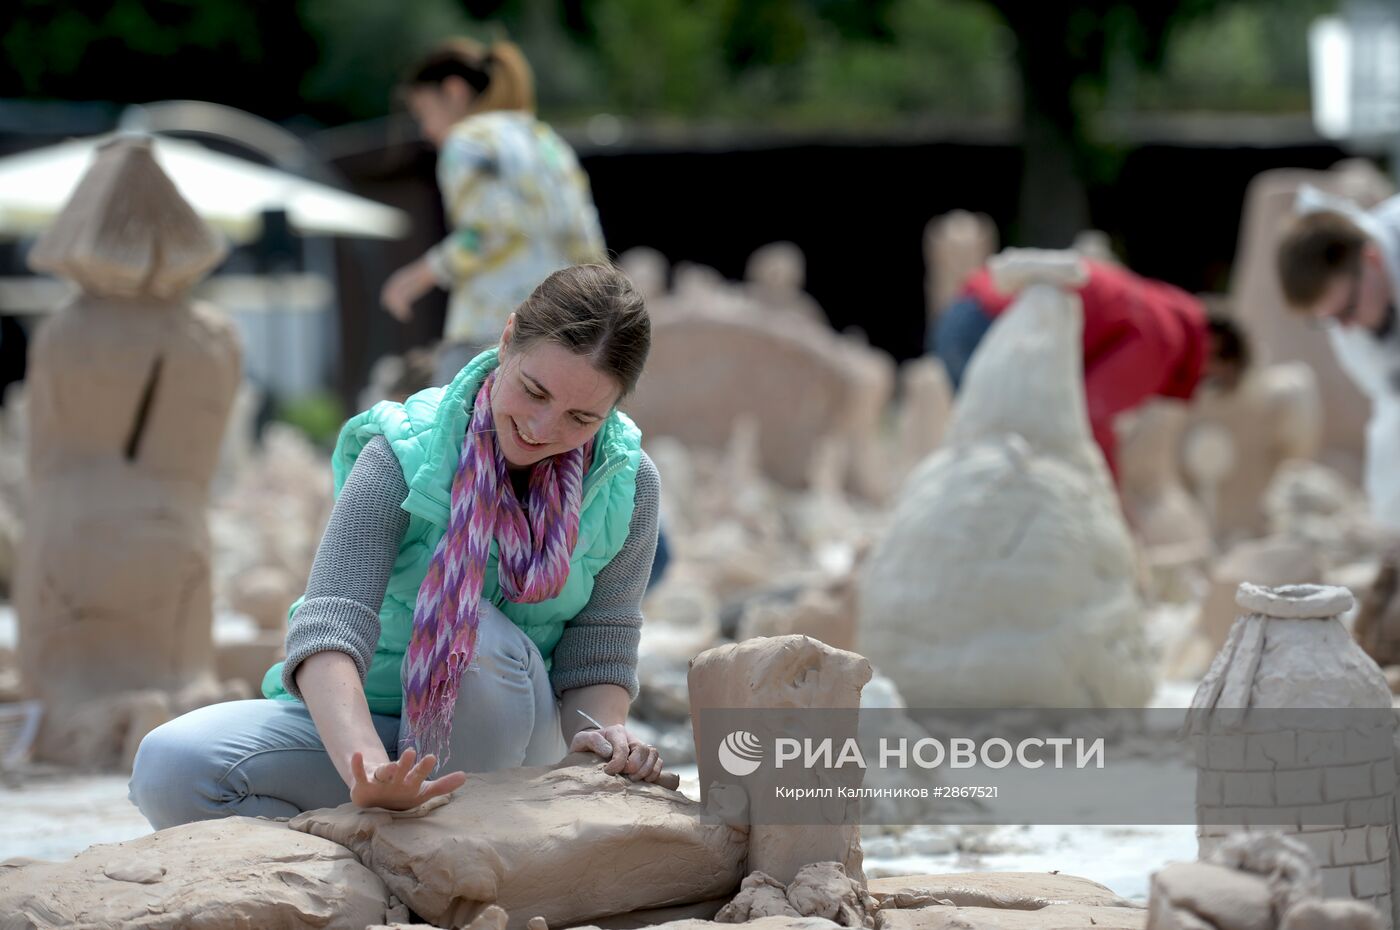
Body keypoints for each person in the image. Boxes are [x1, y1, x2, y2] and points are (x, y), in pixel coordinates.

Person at [130, 264, 663, 828]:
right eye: (534, 391)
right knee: (172, 765)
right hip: (378, 728)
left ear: (614, 410)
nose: (540, 427)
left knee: (472, 630)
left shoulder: (629, 483)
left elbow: (602, 639)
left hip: (520, 745)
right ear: (507, 341)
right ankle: (382, 845)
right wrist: (370, 772)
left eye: (581, 418)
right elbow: (330, 625)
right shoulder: (401, 451)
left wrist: (603, 743)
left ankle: (446, 839)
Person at [381, 39, 607, 385]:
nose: (426, 130)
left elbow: (486, 233)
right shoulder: (549, 143)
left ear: (454, 91)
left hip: (490, 332)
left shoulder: (467, 141)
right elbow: (587, 239)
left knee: (454, 433)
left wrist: (418, 276)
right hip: (564, 334)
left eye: (424, 111)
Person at [931, 258, 1248, 479]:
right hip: (991, 326)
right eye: (1216, 379)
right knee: (1002, 460)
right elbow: (1091, 414)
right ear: (1216, 348)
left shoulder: (1155, 311)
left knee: (989, 455)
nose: (1205, 383)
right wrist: (1108, 495)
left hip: (974, 308)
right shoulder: (1165, 338)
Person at [1275, 189, 1400, 530]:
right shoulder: (1351, 315)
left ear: (1372, 259)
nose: (1345, 327)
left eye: (1346, 310)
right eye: (1330, 319)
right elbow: (1391, 404)